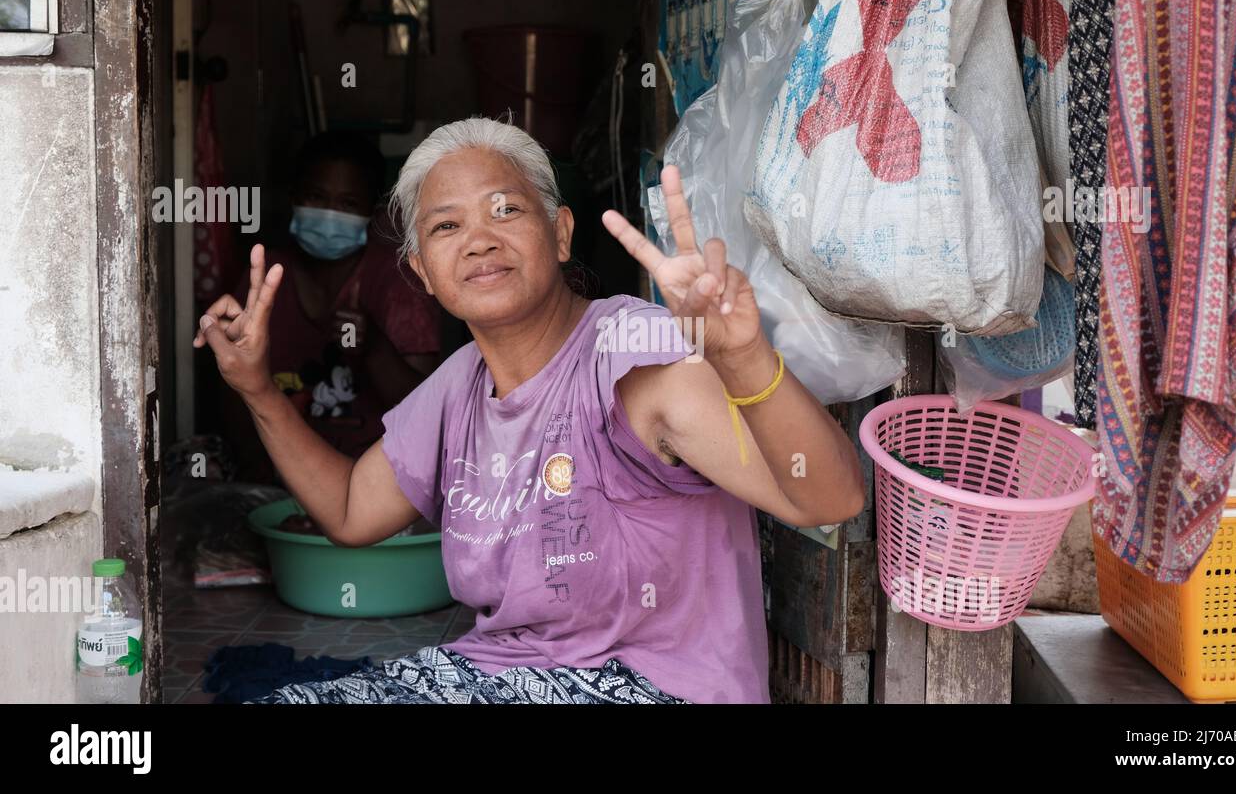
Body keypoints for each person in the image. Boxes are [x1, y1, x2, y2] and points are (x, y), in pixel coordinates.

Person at [195, 118, 866, 704]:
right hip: (496, 675)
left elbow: (830, 498)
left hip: (657, 686)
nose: (479, 239)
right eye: (447, 225)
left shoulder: (637, 356)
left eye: (506, 210)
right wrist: (256, 387)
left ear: (561, 232)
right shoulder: (459, 387)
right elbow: (346, 508)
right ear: (424, 272)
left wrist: (744, 355)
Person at [215, 131, 443, 481]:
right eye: (317, 198)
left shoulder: (399, 283)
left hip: (379, 483)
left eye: (348, 204)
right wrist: (258, 475)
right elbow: (232, 393)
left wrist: (372, 349)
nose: (330, 214)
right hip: (279, 480)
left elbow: (427, 416)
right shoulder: (264, 276)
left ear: (373, 211)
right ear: (294, 198)